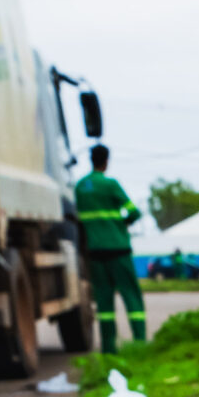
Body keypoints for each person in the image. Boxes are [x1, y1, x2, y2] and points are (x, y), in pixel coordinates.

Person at [73, 144, 148, 351]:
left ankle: (108, 348)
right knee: (131, 295)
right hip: (118, 249)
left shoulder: (80, 187)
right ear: (106, 161)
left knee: (104, 300)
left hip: (95, 252)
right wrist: (122, 223)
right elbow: (134, 212)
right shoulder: (110, 185)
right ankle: (140, 342)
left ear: (91, 159)